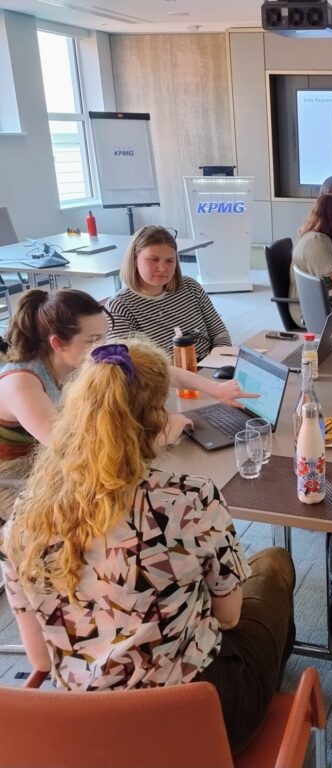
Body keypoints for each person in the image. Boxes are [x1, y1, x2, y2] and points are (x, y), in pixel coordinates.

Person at [0, 338, 295, 755]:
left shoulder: (23, 520)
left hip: (82, 735)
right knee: (274, 564)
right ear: (159, 420)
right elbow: (228, 618)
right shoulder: (188, 499)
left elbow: (42, 661)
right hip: (198, 723)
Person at [0, 289, 253, 523]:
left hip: (56, 465)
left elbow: (158, 369)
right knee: (104, 518)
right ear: (58, 343)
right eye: (94, 339)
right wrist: (158, 438)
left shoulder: (82, 357)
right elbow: (78, 454)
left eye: (104, 336)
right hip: (16, 479)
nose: (103, 346)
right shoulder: (22, 383)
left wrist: (217, 390)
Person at [106, 225, 232, 360]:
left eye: (170, 261)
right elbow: (130, 366)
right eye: (153, 259)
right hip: (165, 378)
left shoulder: (190, 287)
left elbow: (219, 334)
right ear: (134, 260)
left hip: (210, 366)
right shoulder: (119, 307)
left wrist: (219, 363)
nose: (162, 268)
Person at [289, 194, 332, 327]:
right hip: (310, 312)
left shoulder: (319, 237)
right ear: (331, 217)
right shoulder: (317, 241)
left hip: (320, 303)